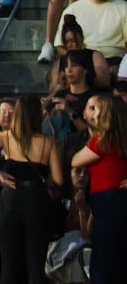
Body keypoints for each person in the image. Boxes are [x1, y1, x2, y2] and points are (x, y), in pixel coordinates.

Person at [0, 97, 64, 284]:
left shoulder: (6, 137)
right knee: (36, 265)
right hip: (37, 199)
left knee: (9, 263)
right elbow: (59, 179)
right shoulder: (48, 142)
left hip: (10, 198)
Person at [71, 95, 127, 284]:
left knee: (104, 259)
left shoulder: (102, 142)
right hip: (116, 200)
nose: (94, 114)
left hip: (108, 201)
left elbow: (76, 160)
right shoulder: (120, 139)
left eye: (97, 109)